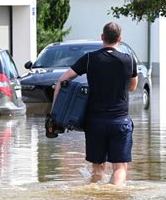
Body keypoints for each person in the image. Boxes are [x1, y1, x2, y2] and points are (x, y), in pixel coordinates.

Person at [52, 22, 138, 186]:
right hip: (120, 122)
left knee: (97, 168)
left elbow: (62, 80)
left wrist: (54, 112)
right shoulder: (129, 60)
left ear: (102, 37)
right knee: (120, 168)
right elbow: (132, 87)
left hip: (95, 122)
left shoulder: (90, 58)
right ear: (120, 38)